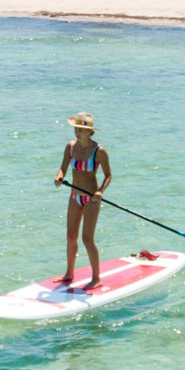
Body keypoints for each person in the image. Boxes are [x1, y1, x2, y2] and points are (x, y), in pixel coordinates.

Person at [53, 111, 112, 289]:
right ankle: (69, 273)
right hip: (74, 196)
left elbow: (108, 176)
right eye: (76, 129)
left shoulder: (99, 151)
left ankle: (96, 278)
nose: (77, 132)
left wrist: (100, 191)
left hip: (91, 200)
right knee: (71, 236)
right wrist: (59, 177)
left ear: (90, 132)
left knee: (87, 239)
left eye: (80, 129)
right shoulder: (71, 147)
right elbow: (62, 168)